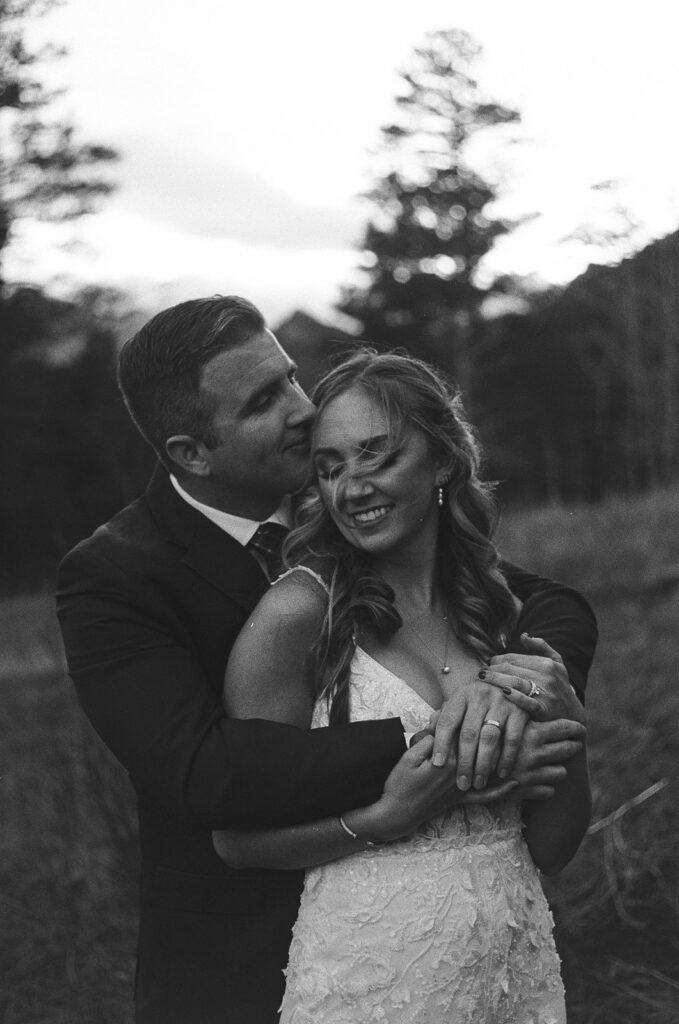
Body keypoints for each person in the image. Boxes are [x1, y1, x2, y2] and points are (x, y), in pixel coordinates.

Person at [56, 296, 597, 1024]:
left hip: (477, 947)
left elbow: (541, 602)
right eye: (261, 401)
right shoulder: (116, 576)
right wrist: (449, 750)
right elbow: (203, 774)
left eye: (288, 378)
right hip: (245, 963)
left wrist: (519, 690)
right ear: (191, 451)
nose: (302, 410)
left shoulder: (341, 490)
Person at [214, 349, 593, 1023]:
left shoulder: (499, 613)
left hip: (514, 973)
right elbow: (236, 841)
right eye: (329, 467)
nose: (350, 487)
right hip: (372, 981)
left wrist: (569, 733)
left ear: (443, 459)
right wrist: (384, 818)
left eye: (376, 456)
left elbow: (552, 850)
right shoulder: (299, 617)